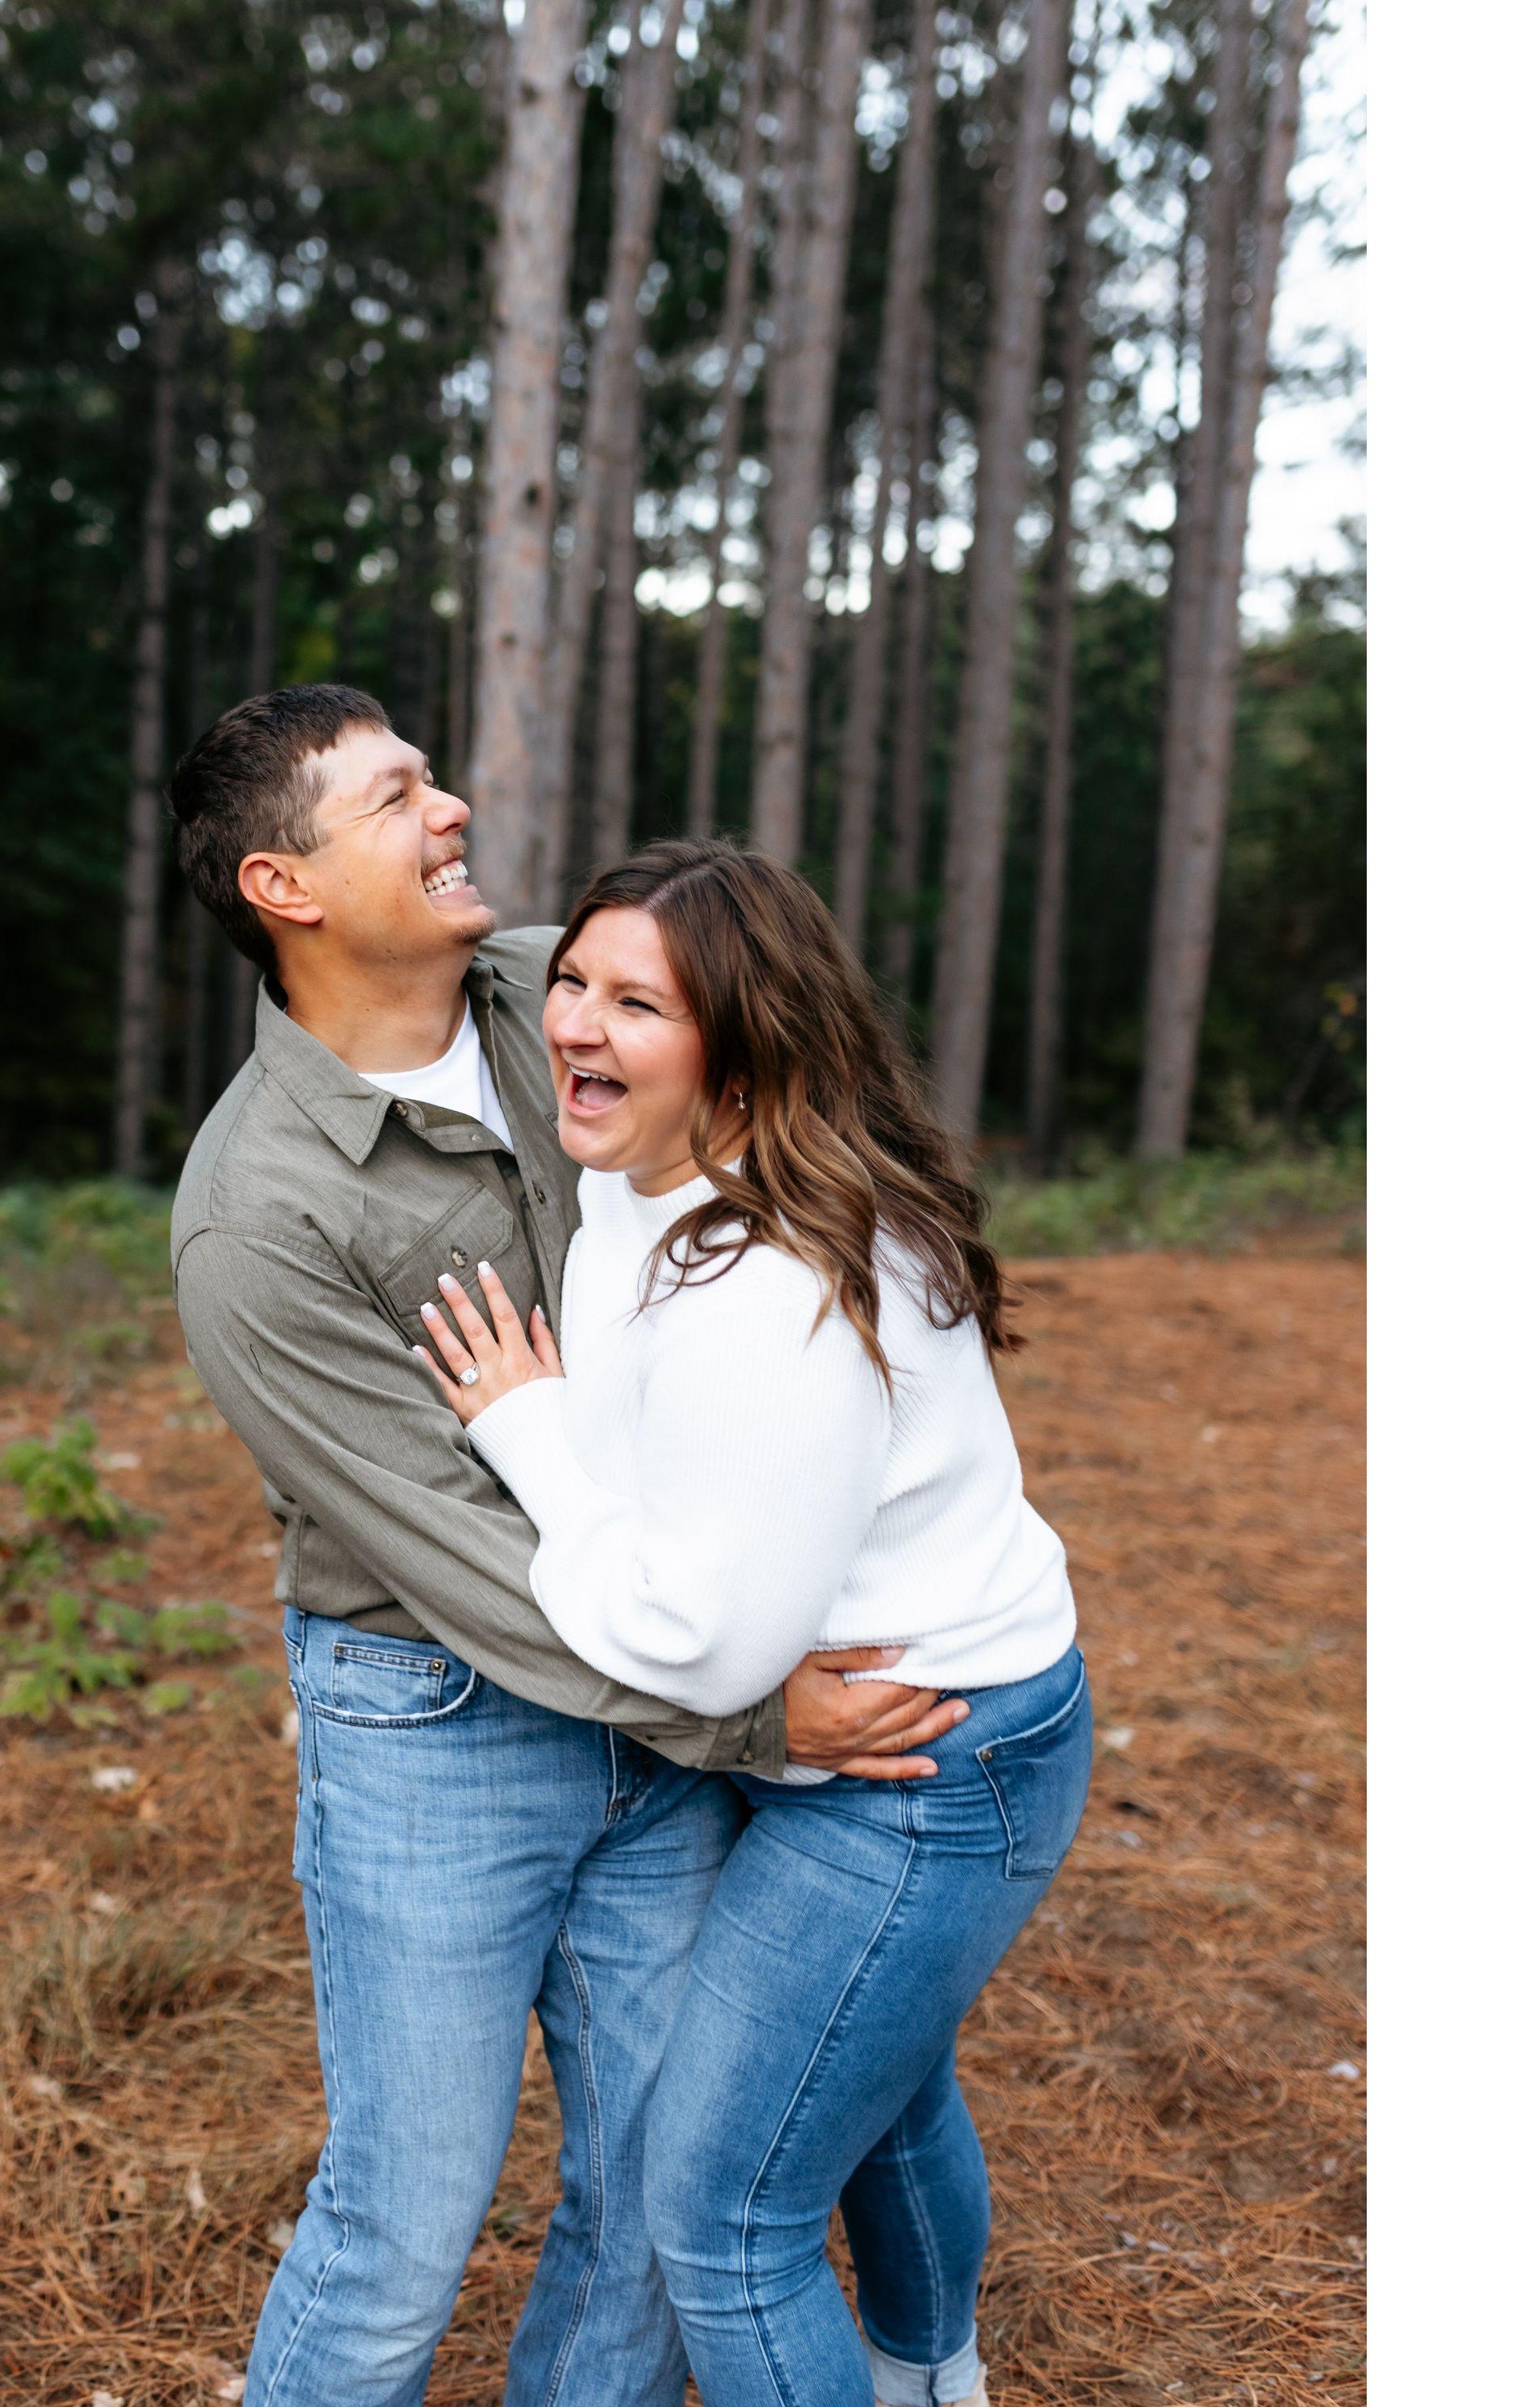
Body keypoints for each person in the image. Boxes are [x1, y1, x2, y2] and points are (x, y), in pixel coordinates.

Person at [164, 688, 971, 2407]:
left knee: (657, 2199)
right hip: (444, 1726)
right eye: (396, 796)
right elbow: (456, 1556)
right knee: (403, 2228)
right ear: (283, 887)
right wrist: (744, 1718)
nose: (450, 807)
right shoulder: (258, 1214)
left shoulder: (571, 994)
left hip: (663, 1673)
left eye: (432, 777)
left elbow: (794, 1141)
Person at [416, 838, 1092, 2407]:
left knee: (724, 2217)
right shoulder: (647, 1185)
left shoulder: (769, 1291)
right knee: (884, 2095)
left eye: (637, 1003)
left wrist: (523, 1433)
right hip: (900, 1725)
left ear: (744, 1052)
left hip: (919, 1763)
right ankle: (934, 2380)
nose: (574, 1023)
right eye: (571, 980)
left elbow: (700, 1650)